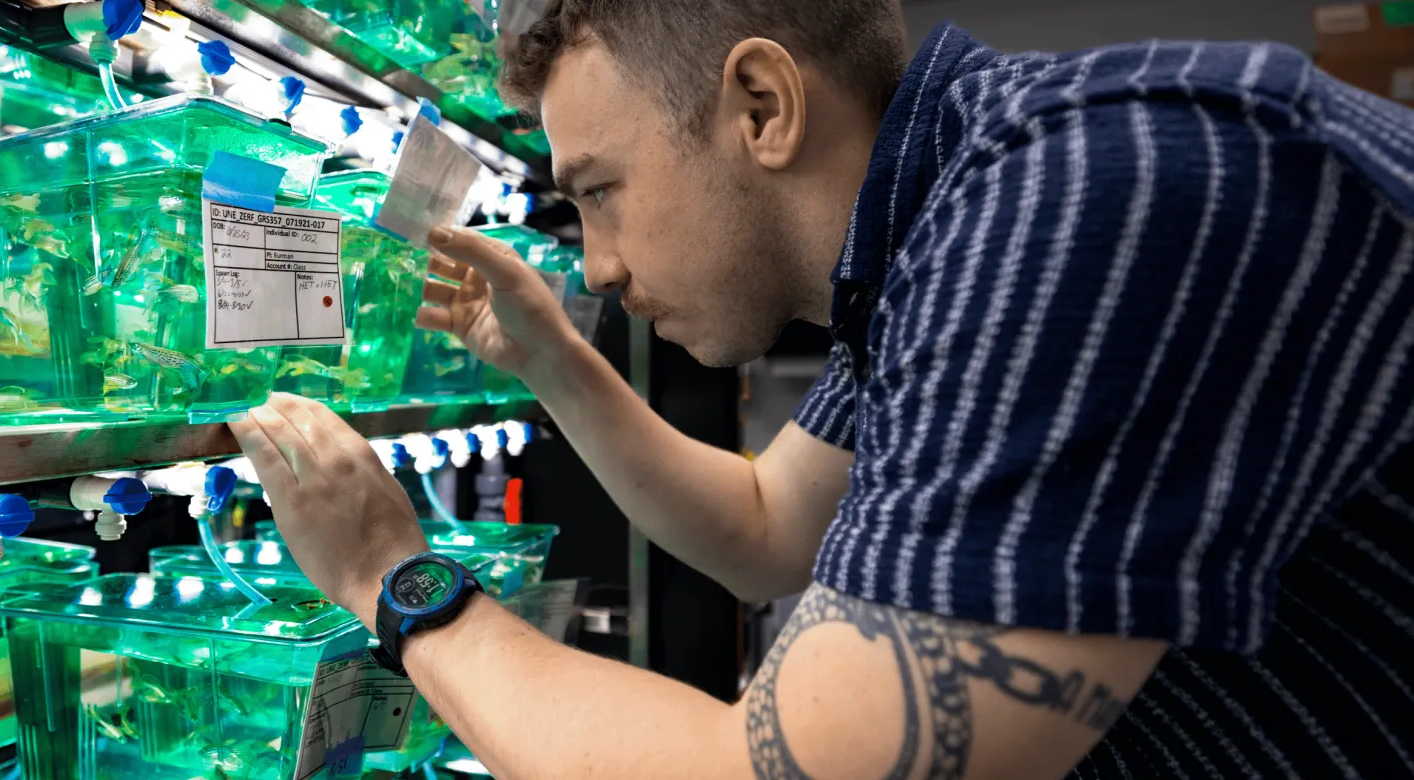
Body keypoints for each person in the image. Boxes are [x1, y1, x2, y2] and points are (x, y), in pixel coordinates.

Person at [227, 0, 1414, 776]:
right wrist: (548, 353)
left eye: (600, 191)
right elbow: (765, 527)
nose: (594, 263)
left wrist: (395, 579)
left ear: (761, 105)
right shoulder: (935, 230)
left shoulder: (1081, 203)